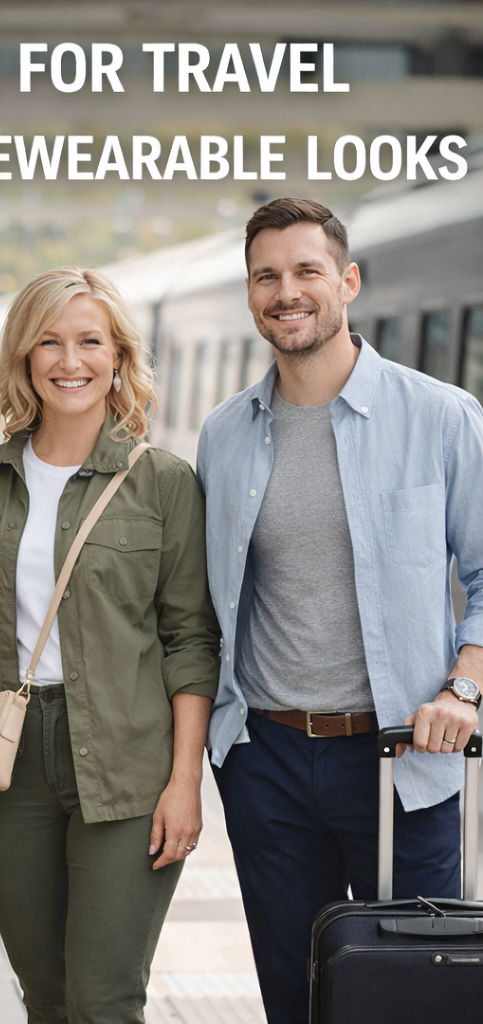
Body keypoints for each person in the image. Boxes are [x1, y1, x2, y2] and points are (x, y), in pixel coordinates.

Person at [196, 198, 483, 1024]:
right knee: (297, 1000)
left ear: (347, 282)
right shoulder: (224, 436)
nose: (287, 292)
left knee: (419, 1001)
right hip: (268, 763)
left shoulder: (440, 415)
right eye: (266, 276)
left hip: (405, 761)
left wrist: (462, 691)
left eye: (306, 271)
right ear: (250, 294)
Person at [0, 267, 221, 1023]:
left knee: (103, 999)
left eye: (90, 341)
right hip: (9, 767)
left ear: (118, 356)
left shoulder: (163, 484)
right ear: (24, 358)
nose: (70, 360)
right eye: (49, 342)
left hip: (127, 763)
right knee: (48, 997)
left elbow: (191, 640)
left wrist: (184, 781)